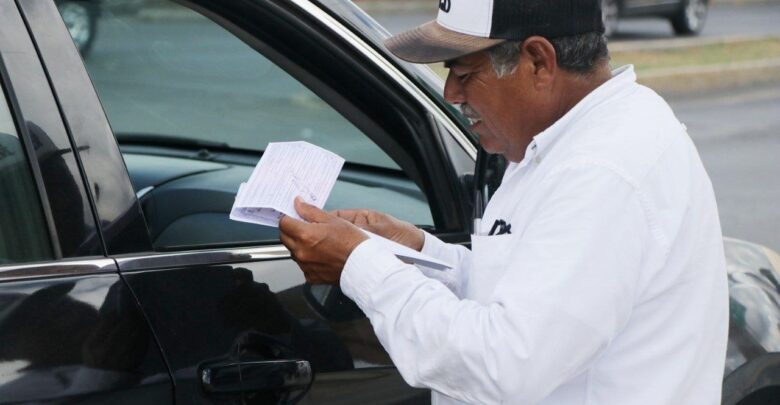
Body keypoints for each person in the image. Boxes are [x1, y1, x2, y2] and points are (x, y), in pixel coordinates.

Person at [279, 0, 729, 403]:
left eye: (464, 73)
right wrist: (417, 252)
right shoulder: (569, 139)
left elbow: (505, 364)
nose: (451, 94)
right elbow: (524, 290)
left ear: (538, 62)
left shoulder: (601, 171)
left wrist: (360, 264)